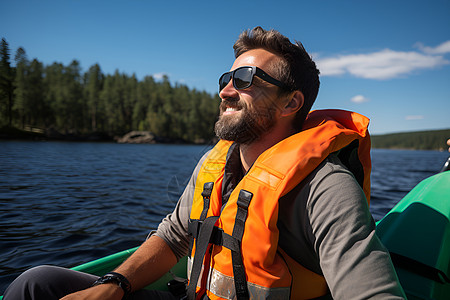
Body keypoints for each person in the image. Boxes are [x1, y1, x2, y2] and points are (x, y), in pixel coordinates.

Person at [4, 27, 406, 299]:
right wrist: (115, 283)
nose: (227, 90)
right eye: (225, 79)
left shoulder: (328, 189)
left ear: (291, 102)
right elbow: (175, 236)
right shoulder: (216, 166)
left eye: (246, 79)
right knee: (37, 283)